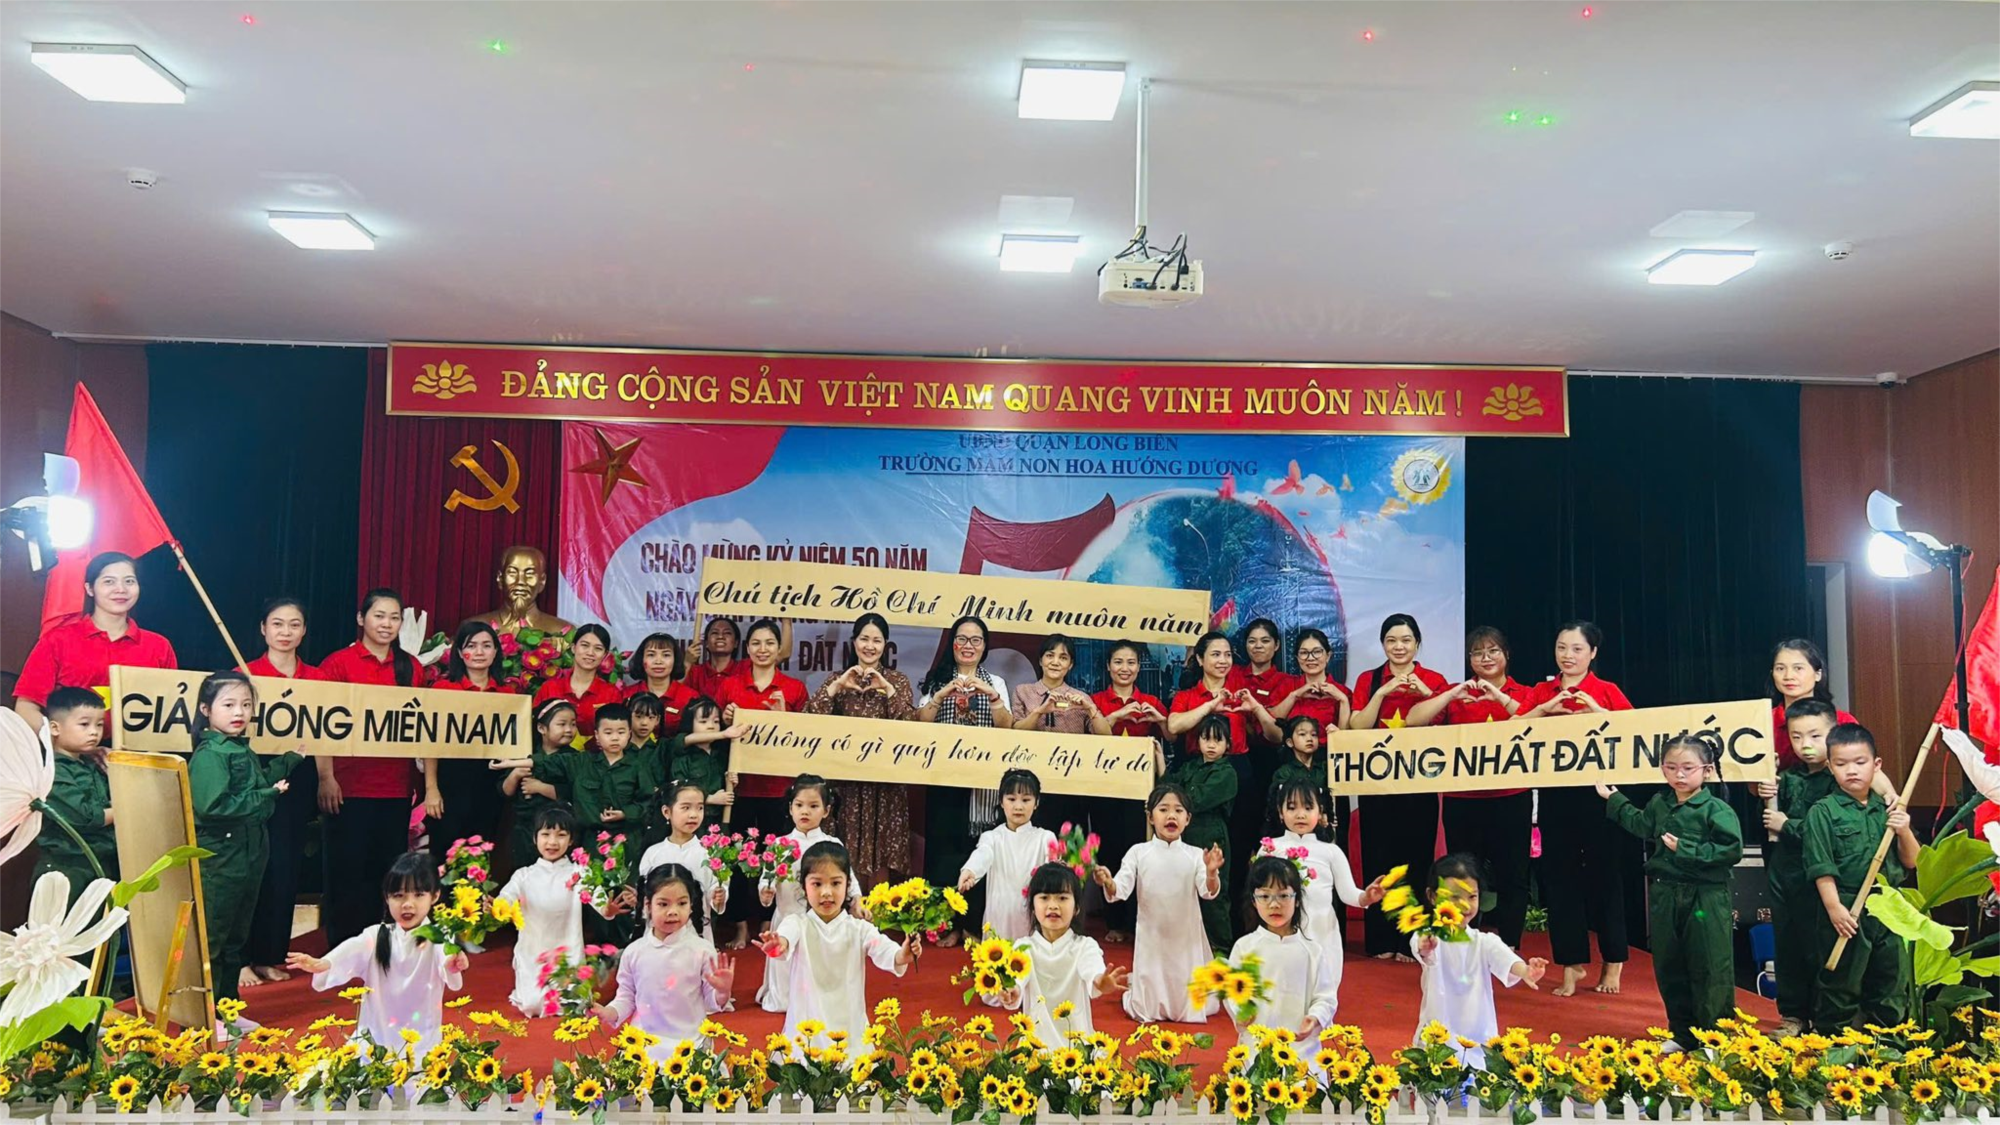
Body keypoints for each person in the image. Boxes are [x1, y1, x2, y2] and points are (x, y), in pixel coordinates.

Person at [1598, 734, 1743, 1049]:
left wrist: (1685, 848)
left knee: (1710, 965)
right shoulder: (1660, 803)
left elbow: (1731, 850)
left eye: (1688, 768)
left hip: (1705, 895)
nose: (1679, 775)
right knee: (1669, 964)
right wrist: (1615, 799)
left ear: (1707, 770)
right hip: (1665, 892)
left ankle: (1716, 1039)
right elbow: (1641, 824)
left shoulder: (1716, 809)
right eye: (1671, 767)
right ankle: (1683, 1033)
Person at [1519, 621, 1635, 996]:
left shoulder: (1607, 690)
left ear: (1593, 653)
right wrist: (1545, 709)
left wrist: (1596, 711)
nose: (1567, 656)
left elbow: (1636, 731)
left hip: (1600, 795)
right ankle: (1571, 965)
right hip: (1556, 795)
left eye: (1577, 649)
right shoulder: (1542, 691)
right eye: (1561, 648)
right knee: (1559, 879)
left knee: (1605, 877)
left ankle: (1613, 962)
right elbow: (1511, 728)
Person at [1406, 626, 1534, 946]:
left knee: (1513, 875)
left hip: (1511, 797)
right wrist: (1450, 695)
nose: (1485, 658)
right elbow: (1413, 719)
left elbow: (1536, 719)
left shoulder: (1523, 692)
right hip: (1462, 799)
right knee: (1461, 875)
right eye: (1477, 653)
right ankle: (1461, 940)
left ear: (1507, 655)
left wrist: (1498, 696)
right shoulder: (1457, 693)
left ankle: (1509, 945)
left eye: (1493, 651)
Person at [189, 672, 301, 1027]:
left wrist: (289, 761)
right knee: (214, 938)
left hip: (249, 850)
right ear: (206, 709)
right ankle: (203, 1017)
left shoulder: (238, 747)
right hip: (222, 855)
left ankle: (227, 1010)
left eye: (246, 704)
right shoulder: (211, 754)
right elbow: (212, 806)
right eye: (229, 704)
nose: (239, 712)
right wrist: (267, 795)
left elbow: (255, 783)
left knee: (236, 937)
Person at [316, 588, 426, 945]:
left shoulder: (411, 667)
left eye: (394, 618)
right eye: (379, 616)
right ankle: (343, 948)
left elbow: (425, 725)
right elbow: (320, 725)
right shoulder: (338, 664)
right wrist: (326, 777)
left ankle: (384, 946)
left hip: (395, 787)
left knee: (389, 872)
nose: (387, 624)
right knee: (346, 872)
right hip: (348, 786)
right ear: (361, 619)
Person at [286, 852, 469, 1055]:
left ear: (434, 896)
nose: (408, 904)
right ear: (387, 897)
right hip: (376, 1038)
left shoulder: (439, 935)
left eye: (418, 895)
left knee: (419, 1070)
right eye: (398, 895)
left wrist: (454, 961)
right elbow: (351, 949)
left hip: (422, 1042)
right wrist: (324, 963)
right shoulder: (375, 936)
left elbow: (446, 955)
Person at [1346, 613, 1451, 960]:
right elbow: (1357, 725)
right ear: (1383, 644)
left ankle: (1411, 940)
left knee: (1416, 860)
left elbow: (1446, 722)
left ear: (1417, 643)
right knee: (1379, 858)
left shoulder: (1434, 680)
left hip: (1420, 782)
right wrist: (1382, 692)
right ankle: (1380, 941)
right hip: (1376, 783)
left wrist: (1424, 692)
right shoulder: (1369, 679)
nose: (1399, 646)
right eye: (1391, 640)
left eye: (1406, 640)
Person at [752, 840, 919, 1049]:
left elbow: (887, 951)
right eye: (817, 884)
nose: (826, 892)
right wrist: (778, 944)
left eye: (835, 883)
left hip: (848, 1021)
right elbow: (784, 940)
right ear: (803, 886)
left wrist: (903, 954)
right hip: (807, 1023)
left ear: (848, 885)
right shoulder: (797, 923)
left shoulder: (859, 929)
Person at [1806, 723, 1918, 1032]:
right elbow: (1821, 866)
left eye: (1860, 762)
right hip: (1847, 905)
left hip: (1889, 906)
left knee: (1891, 981)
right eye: (1841, 764)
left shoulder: (1890, 808)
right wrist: (1834, 908)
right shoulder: (1823, 811)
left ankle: (1890, 1048)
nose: (1851, 770)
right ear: (1830, 767)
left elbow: (1912, 861)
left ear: (1876, 764)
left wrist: (1904, 829)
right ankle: (1832, 1048)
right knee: (1841, 983)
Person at [916, 615, 1013, 946]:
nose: (968, 645)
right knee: (944, 851)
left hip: (983, 781)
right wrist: (942, 693)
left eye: (976, 640)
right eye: (962, 638)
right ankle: (945, 925)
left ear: (984, 647)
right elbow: (921, 722)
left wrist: (992, 696)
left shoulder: (996, 681)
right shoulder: (936, 680)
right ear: (952, 644)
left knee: (976, 850)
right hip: (944, 779)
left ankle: (973, 925)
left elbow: (1007, 726)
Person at [1092, 782, 1225, 1023]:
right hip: (1151, 935)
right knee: (1147, 999)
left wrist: (1212, 872)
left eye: (1178, 810)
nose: (1171, 816)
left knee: (1190, 992)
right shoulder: (1138, 852)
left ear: (1187, 819)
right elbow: (1120, 889)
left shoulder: (1195, 854)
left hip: (1185, 936)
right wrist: (1108, 882)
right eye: (1163, 809)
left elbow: (1208, 891)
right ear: (1150, 816)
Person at [241, 597, 322, 986]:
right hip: (250, 778)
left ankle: (271, 955)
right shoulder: (243, 674)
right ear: (263, 628)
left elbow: (328, 737)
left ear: (304, 630)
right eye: (277, 624)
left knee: (285, 870)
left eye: (294, 624)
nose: (285, 632)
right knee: (249, 869)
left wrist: (328, 778)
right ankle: (240, 959)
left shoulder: (319, 679)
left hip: (298, 780)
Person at [807, 613, 918, 883]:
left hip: (884, 785)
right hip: (845, 783)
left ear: (885, 645)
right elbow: (809, 720)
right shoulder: (838, 678)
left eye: (876, 641)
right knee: (842, 855)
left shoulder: (898, 681)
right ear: (854, 642)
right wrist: (837, 686)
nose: (870, 646)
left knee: (882, 858)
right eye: (864, 639)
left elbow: (911, 726)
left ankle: (878, 908)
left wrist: (887, 689)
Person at [1410, 854, 1548, 1065]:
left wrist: (1526, 971)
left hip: (1479, 1038)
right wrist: (1425, 946)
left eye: (1472, 897)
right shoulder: (1430, 937)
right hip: (1437, 1035)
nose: (1465, 905)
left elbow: (1507, 960)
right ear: (1433, 896)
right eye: (1454, 897)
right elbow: (1421, 947)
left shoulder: (1484, 942)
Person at [14, 551, 177, 729]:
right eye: (109, 581)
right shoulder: (57, 640)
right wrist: (59, 739)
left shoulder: (159, 646)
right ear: (90, 589)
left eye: (129, 581)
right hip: (69, 747)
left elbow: (173, 708)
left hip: (140, 747)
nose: (121, 589)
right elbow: (26, 707)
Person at [1757, 699, 1841, 1035]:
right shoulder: (1789, 778)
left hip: (1823, 877)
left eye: (1815, 736)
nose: (1805, 744)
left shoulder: (1840, 780)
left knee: (1821, 945)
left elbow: (1829, 833)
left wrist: (1786, 824)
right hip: (1785, 873)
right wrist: (1768, 788)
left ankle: (1827, 1019)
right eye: (1796, 737)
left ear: (1833, 733)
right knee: (1787, 944)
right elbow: (1772, 817)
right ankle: (1793, 1015)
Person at [1261, 778, 1383, 999]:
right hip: (1282, 928)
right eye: (1292, 807)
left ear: (1320, 812)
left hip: (1321, 929)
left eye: (1308, 808)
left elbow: (1349, 894)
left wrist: (1367, 897)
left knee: (1321, 990)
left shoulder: (1330, 851)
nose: (1300, 815)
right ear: (1280, 812)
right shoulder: (1270, 848)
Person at [596, 864, 735, 1058]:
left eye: (682, 903)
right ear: (647, 905)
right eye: (663, 904)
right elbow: (626, 997)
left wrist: (723, 991)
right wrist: (608, 1012)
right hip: (642, 1046)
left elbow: (713, 1003)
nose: (673, 911)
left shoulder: (702, 950)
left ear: (691, 905)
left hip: (690, 1046)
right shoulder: (634, 952)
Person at [493, 806, 609, 1017]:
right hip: (533, 953)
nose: (553, 842)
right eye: (546, 834)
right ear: (535, 838)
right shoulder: (523, 875)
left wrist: (610, 907)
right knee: (532, 1005)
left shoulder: (579, 872)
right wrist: (499, 906)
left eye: (561, 835)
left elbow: (602, 905)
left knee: (575, 1004)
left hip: (569, 952)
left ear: (571, 840)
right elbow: (507, 896)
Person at [756, 774, 858, 1012]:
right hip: (787, 915)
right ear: (790, 808)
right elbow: (766, 879)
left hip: (821, 920)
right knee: (785, 979)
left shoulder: (832, 844)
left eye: (813, 806)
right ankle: (784, 996)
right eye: (799, 805)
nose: (805, 811)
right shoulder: (779, 845)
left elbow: (848, 879)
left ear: (826, 810)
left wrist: (857, 901)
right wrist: (766, 891)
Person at [1090, 640, 1167, 944]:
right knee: (1108, 850)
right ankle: (1114, 921)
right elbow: (1089, 736)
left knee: (1139, 852)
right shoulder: (1096, 700)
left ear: (1139, 667)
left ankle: (1138, 920)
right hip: (1105, 787)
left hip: (1140, 791)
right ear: (1108, 666)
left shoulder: (1151, 700)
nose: (1125, 668)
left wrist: (1159, 719)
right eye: (1119, 662)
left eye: (1131, 662)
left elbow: (1171, 734)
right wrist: (1117, 716)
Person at [428, 621, 517, 868]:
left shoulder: (508, 694)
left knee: (481, 857)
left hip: (490, 785)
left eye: (486, 646)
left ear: (496, 652)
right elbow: (430, 744)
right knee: (445, 858)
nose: (479, 652)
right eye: (471, 646)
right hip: (449, 783)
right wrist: (431, 788)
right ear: (459, 652)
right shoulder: (443, 689)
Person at [1007, 863, 1126, 1044]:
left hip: (1076, 1051)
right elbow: (1016, 981)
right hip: (1034, 1049)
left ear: (1077, 907)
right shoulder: (1023, 947)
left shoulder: (1084, 946)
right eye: (1044, 898)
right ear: (1032, 906)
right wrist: (1011, 992)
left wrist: (1101, 982)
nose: (1053, 906)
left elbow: (1093, 971)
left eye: (1062, 898)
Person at [1227, 855, 1338, 1043]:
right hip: (1256, 1044)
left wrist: (1315, 1018)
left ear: (1297, 899)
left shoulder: (1313, 951)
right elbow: (1233, 991)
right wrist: (1240, 1012)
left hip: (1301, 1045)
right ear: (1254, 901)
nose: (1274, 904)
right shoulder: (1244, 947)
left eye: (1283, 895)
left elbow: (1325, 997)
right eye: (1264, 896)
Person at [717, 619, 810, 836]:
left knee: (777, 851)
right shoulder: (729, 685)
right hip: (739, 785)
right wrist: (724, 719)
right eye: (756, 643)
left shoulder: (795, 688)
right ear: (747, 648)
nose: (762, 649)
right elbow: (713, 731)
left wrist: (784, 719)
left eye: (769, 643)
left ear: (779, 648)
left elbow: (806, 740)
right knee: (739, 850)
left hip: (780, 786)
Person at [1012, 634, 1111, 838]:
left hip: (1071, 783)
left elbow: (1106, 736)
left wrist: (1091, 709)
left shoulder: (1081, 697)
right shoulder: (1023, 691)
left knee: (1069, 845)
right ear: (1041, 660)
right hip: (1031, 781)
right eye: (1050, 655)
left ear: (1070, 665)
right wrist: (1040, 711)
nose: (1055, 662)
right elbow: (1016, 731)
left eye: (1063, 657)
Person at [532, 702, 658, 846]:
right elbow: (546, 763)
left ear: (629, 733)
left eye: (621, 732)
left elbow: (649, 802)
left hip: (627, 841)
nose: (615, 738)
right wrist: (515, 763)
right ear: (597, 735)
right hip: (588, 841)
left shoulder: (638, 767)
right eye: (608, 733)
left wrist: (625, 813)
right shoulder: (582, 762)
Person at [1164, 715, 1240, 952]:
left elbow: (1194, 800)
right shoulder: (1191, 766)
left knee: (1214, 892)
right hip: (1184, 834)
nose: (1211, 745)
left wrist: (1174, 800)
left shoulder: (1227, 773)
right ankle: (1188, 946)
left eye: (1218, 740)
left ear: (1228, 744)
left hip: (1211, 833)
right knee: (1183, 889)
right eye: (1206, 739)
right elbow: (1167, 786)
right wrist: (1158, 759)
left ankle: (1221, 947)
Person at [957, 769, 1059, 943]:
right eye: (1011, 799)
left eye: (1026, 800)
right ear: (1001, 802)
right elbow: (983, 854)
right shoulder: (992, 837)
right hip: (999, 917)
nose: (1018, 806)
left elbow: (1055, 876)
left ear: (1036, 802)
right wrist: (970, 871)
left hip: (1033, 917)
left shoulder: (1045, 838)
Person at [34, 687, 114, 905]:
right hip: (66, 866)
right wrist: (124, 810)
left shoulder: (92, 763)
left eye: (99, 724)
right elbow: (85, 816)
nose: (94, 732)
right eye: (84, 724)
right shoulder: (53, 770)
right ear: (55, 728)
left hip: (98, 862)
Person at [496, 700, 574, 870]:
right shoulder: (523, 752)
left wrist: (539, 787)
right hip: (524, 829)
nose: (569, 729)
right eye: (562, 724)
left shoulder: (574, 758)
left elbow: (573, 793)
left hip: (557, 829)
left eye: (573, 724)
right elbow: (505, 791)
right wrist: (515, 774)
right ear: (541, 728)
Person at [638, 781, 730, 914]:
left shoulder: (711, 854)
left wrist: (718, 897)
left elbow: (717, 892)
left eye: (700, 808)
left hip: (697, 924)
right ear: (667, 812)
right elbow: (645, 895)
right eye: (686, 808)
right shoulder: (653, 853)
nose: (693, 815)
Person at [1770, 639, 1855, 770]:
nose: (1788, 676)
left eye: (1798, 668)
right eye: (1780, 668)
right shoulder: (1765, 721)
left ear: (1818, 674)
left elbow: (1863, 765)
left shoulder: (1842, 720)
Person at [533, 623, 622, 734]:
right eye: (585, 645)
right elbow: (533, 726)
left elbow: (616, 733)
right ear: (574, 648)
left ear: (605, 655)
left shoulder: (611, 694)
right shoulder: (549, 688)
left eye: (598, 648)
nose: (590, 653)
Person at [625, 632, 699, 730]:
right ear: (641, 659)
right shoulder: (626, 695)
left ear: (675, 660)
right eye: (651, 655)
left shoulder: (690, 697)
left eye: (666, 655)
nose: (658, 661)